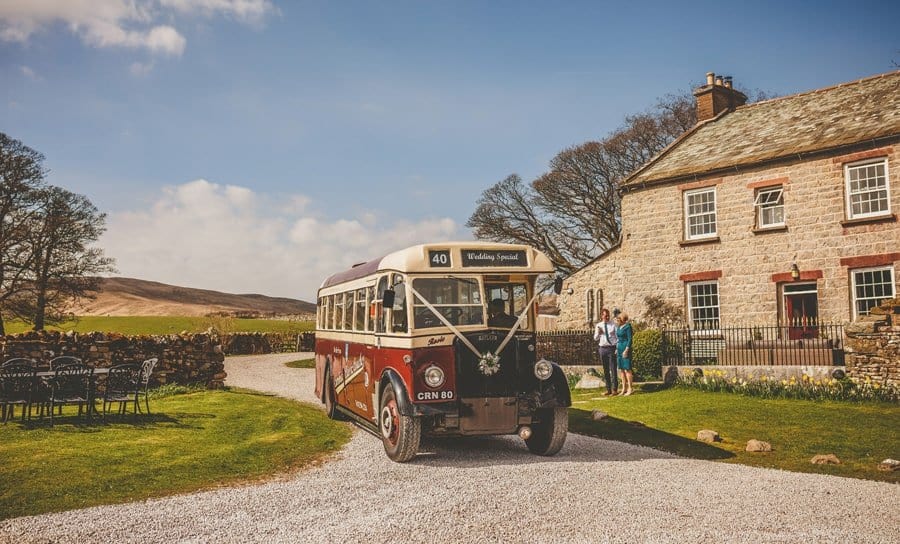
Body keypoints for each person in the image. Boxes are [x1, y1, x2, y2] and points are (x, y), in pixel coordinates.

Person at [593, 308, 618, 396]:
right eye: (605, 315)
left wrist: (617, 348)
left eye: (608, 315)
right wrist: (599, 333)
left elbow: (617, 337)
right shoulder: (599, 325)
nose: (607, 317)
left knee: (613, 369)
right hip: (602, 348)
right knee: (606, 370)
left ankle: (615, 389)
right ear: (601, 316)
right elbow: (595, 338)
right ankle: (608, 389)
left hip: (611, 348)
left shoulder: (613, 325)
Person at [616, 311, 634, 396]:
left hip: (625, 348)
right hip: (619, 348)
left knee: (627, 368)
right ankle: (623, 389)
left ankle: (630, 388)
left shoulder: (628, 327)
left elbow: (630, 339)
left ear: (623, 319)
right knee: (621, 370)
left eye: (619, 319)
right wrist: (617, 348)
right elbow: (618, 339)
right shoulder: (619, 327)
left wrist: (626, 350)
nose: (618, 320)